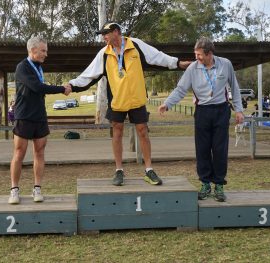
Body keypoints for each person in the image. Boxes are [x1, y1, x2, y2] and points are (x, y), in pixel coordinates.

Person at [68, 21, 191, 186]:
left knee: (143, 131)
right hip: (118, 100)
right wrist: (71, 85)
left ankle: (149, 170)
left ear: (117, 32)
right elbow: (88, 75)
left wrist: (177, 63)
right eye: (102, 34)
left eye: (106, 33)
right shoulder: (104, 53)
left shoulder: (136, 45)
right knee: (117, 132)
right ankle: (119, 170)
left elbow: (157, 56)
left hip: (137, 98)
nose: (104, 37)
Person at [158, 37, 244, 202]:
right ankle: (205, 184)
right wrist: (167, 104)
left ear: (209, 53)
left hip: (221, 111)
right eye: (195, 54)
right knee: (202, 149)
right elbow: (181, 89)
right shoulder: (192, 68)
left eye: (199, 55)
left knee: (220, 150)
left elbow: (234, 87)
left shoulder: (225, 64)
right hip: (202, 112)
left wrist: (239, 110)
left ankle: (219, 185)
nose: (196, 58)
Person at [8, 35, 72, 204]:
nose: (46, 54)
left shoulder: (39, 67)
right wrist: (61, 89)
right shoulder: (22, 67)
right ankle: (14, 190)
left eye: (46, 51)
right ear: (33, 50)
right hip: (24, 116)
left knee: (40, 152)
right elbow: (37, 87)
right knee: (19, 153)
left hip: (40, 116)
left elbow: (40, 89)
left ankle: (37, 189)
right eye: (43, 51)